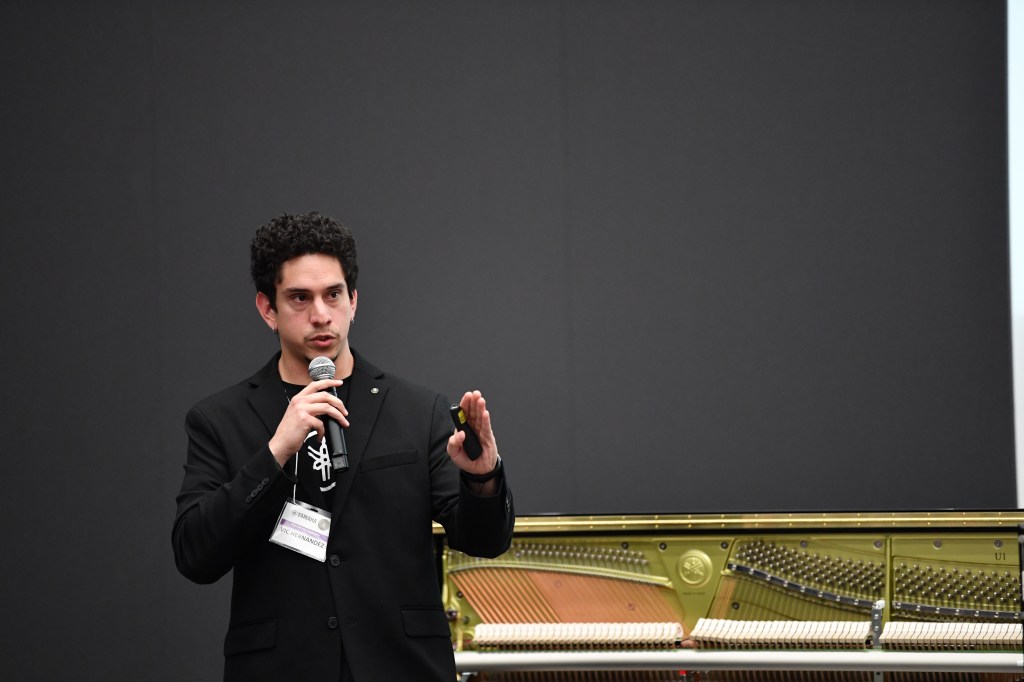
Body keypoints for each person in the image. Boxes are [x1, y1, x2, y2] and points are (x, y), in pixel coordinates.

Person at [171, 211, 514, 681]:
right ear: (268, 309)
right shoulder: (220, 419)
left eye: (333, 294)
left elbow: (484, 542)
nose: (320, 315)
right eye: (299, 298)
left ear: (353, 301)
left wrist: (483, 477)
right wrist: (275, 453)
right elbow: (195, 555)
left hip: (400, 667)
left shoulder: (416, 410)